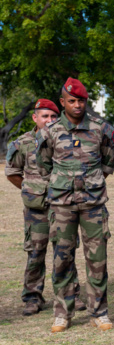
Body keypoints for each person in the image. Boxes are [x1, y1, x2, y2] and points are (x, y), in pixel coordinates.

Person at [36, 78, 114, 333]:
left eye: (81, 100)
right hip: (62, 204)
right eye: (72, 101)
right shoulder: (50, 131)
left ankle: (99, 312)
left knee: (97, 259)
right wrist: (62, 182)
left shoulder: (99, 128)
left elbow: (109, 159)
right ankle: (63, 313)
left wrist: (92, 180)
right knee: (62, 259)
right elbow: (44, 164)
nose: (77, 105)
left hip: (92, 202)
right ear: (63, 102)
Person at [5, 99, 83, 316]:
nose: (49, 120)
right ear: (35, 118)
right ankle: (32, 298)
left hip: (63, 207)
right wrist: (30, 190)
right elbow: (12, 173)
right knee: (35, 253)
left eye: (53, 116)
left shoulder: (67, 139)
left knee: (65, 253)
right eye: (45, 116)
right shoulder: (22, 142)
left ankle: (71, 295)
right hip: (36, 210)